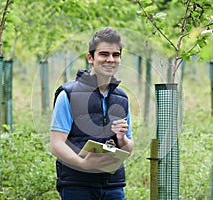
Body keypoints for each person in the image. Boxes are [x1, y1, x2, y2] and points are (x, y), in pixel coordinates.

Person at [50, 27, 134, 200]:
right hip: (77, 186)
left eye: (116, 55)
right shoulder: (68, 94)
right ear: (90, 58)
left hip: (113, 186)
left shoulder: (122, 98)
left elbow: (128, 147)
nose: (110, 60)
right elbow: (57, 144)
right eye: (104, 54)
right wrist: (83, 164)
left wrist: (122, 138)